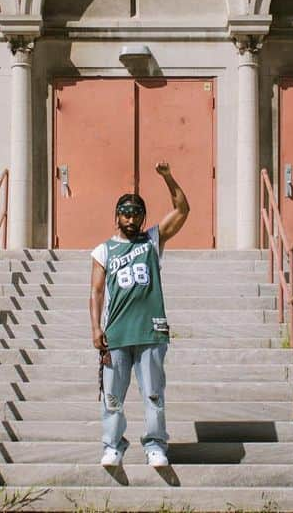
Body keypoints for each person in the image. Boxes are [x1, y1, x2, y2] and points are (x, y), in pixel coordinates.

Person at [89, 161, 190, 469]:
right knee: (113, 397)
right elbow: (95, 292)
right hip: (116, 333)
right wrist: (96, 329)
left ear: (142, 217)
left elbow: (183, 210)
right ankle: (113, 446)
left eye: (136, 212)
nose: (130, 217)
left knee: (153, 395)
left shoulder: (152, 240)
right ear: (116, 214)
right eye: (125, 211)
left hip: (150, 331)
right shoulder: (103, 250)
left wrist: (168, 177)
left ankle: (156, 445)